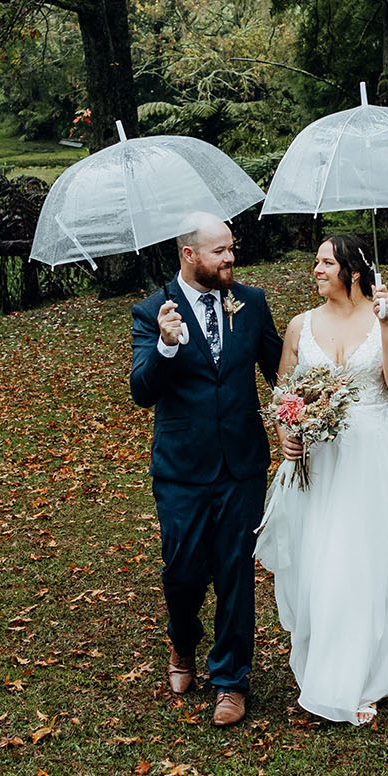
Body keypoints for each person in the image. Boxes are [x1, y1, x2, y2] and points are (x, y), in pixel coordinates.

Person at [255, 233, 388, 726]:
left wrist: (387, 324)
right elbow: (285, 392)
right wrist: (286, 433)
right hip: (318, 462)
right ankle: (322, 666)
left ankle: (358, 678)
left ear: (353, 270)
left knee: (365, 563)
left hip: (373, 456)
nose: (317, 269)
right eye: (317, 262)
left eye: (326, 262)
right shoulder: (300, 326)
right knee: (318, 562)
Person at [130, 213, 282, 727]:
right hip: (181, 469)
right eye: (219, 252)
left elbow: (279, 370)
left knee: (236, 570)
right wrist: (166, 345)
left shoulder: (252, 303)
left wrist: (306, 409)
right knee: (184, 572)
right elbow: (141, 391)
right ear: (189, 255)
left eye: (231, 248)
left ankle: (231, 680)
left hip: (242, 464)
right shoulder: (152, 312)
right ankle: (182, 641)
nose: (230, 259)